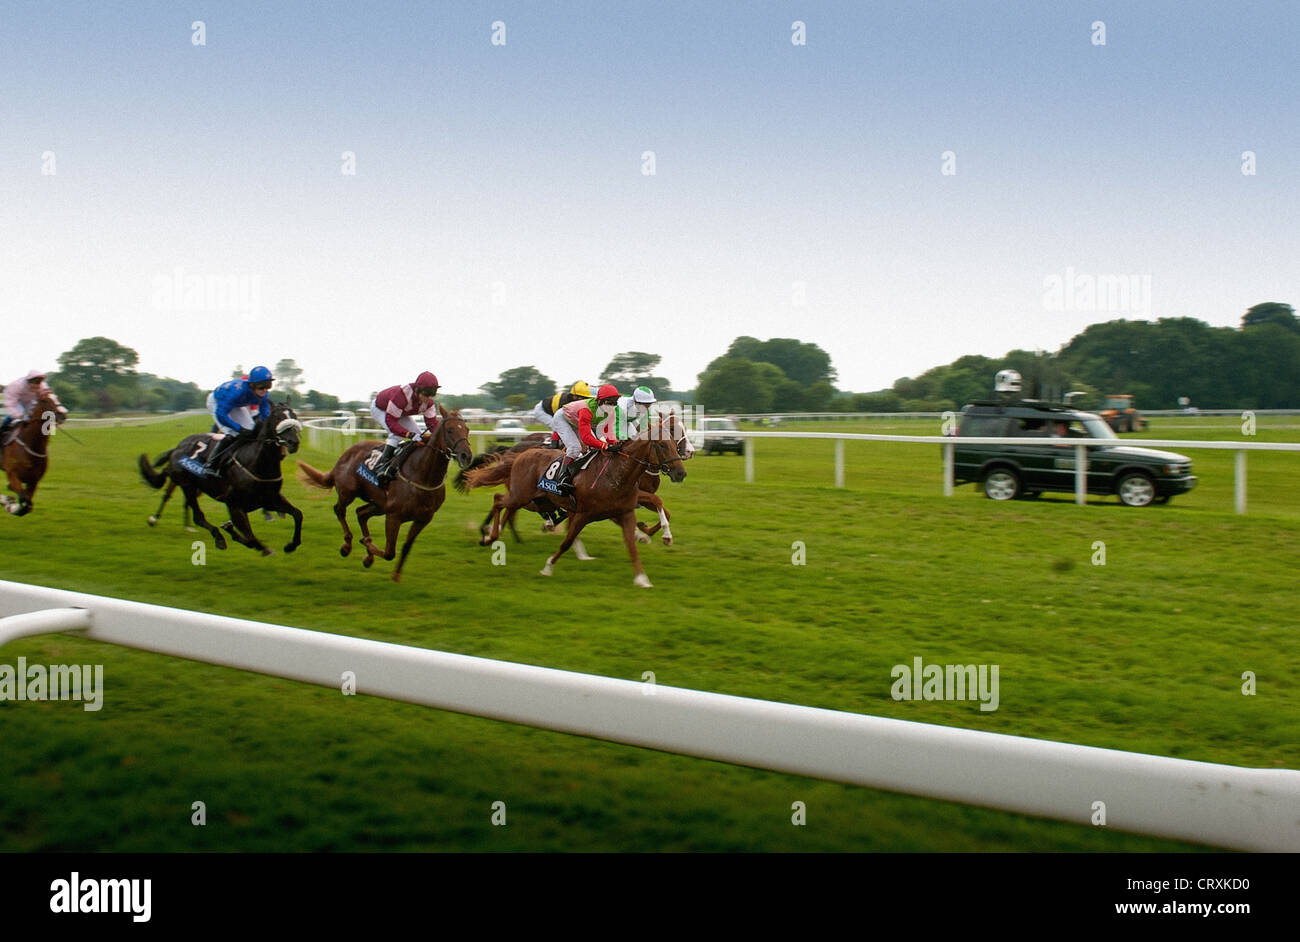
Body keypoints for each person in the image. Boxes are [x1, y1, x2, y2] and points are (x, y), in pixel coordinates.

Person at [370, 371, 441, 484]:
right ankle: (382, 467)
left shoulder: (429, 403)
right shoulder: (401, 395)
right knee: (396, 434)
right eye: (426, 394)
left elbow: (432, 424)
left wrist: (441, 437)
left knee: (420, 436)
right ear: (417, 390)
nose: (428, 398)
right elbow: (391, 421)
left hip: (399, 413)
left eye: (431, 395)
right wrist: (409, 434)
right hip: (380, 409)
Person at [550, 383, 621, 490]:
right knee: (575, 448)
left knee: (593, 448)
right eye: (609, 402)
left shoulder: (611, 411)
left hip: (576, 420)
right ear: (599, 401)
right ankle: (562, 478)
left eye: (614, 403)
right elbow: (586, 438)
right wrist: (606, 446)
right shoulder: (586, 410)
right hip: (563, 418)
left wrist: (615, 443)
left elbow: (609, 432)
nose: (611, 406)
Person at [203, 366, 274, 469]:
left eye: (268, 386)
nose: (265, 390)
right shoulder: (236, 392)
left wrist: (266, 427)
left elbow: (265, 414)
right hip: (217, 403)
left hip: (236, 405)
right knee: (232, 433)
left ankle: (243, 458)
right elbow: (221, 414)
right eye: (261, 387)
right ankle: (211, 463)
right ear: (252, 385)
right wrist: (238, 428)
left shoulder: (264, 395)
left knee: (251, 428)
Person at [2, 370, 58, 443]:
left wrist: (53, 419)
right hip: (16, 401)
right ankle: (2, 429)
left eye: (39, 382)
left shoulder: (43, 386)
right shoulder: (16, 385)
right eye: (34, 382)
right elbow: (10, 403)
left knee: (35, 417)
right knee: (19, 415)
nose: (37, 385)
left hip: (30, 401)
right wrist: (18, 415)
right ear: (28, 381)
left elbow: (48, 398)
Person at [531, 381, 592, 446]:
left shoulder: (574, 400)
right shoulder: (564, 402)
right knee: (558, 427)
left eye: (584, 398)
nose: (582, 400)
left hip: (552, 410)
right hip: (542, 410)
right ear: (573, 395)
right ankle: (553, 446)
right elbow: (559, 421)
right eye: (580, 397)